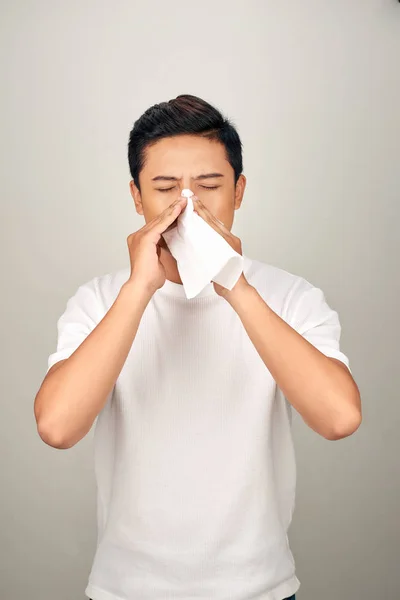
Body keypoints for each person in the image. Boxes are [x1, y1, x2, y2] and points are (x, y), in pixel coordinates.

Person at [34, 94, 362, 600]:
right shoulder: (100, 300)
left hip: (261, 589)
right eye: (165, 188)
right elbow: (57, 427)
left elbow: (339, 418)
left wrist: (235, 286)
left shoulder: (291, 296)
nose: (188, 204)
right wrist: (139, 288)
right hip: (126, 589)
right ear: (137, 198)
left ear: (239, 191)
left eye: (209, 185)